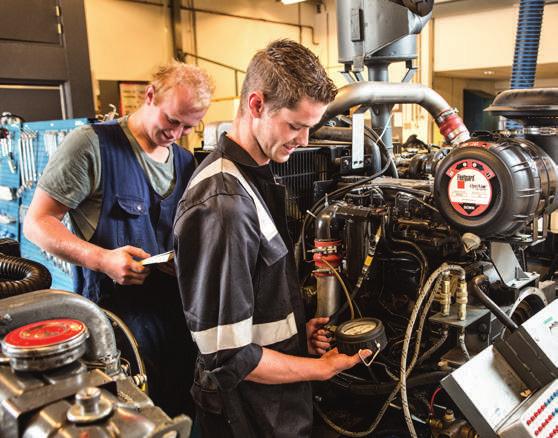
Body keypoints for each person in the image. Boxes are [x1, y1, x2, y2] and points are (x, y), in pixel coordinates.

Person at [173, 39, 371, 437]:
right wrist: (321, 368)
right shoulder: (224, 204)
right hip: (245, 417)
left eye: (309, 128)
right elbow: (229, 356)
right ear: (257, 105)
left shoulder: (257, 177)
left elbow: (257, 300)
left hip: (276, 407)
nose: (303, 140)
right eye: (295, 126)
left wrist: (298, 333)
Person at [24, 61, 214, 417]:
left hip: (177, 321)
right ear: (150, 96)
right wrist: (102, 259)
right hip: (115, 327)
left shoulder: (186, 161)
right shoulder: (92, 146)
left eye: (189, 126)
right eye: (172, 120)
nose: (177, 133)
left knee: (180, 414)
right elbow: (36, 223)